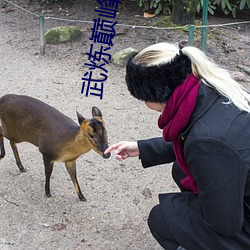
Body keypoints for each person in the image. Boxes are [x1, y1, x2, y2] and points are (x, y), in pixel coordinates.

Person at [104, 42, 250, 250]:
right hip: (241, 187)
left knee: (162, 218)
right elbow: (194, 139)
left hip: (241, 222)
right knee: (181, 170)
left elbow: (225, 224)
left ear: (155, 93)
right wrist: (142, 148)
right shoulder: (209, 88)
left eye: (143, 98)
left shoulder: (207, 142)